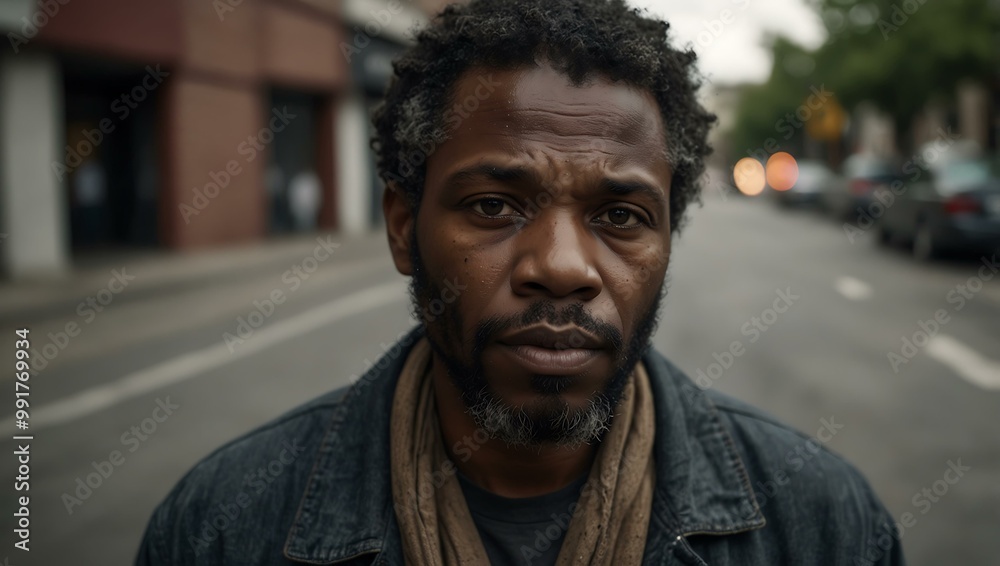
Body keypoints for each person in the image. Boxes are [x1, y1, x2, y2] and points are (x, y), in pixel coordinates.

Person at [136, 1, 905, 564]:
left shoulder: (823, 527)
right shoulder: (222, 531)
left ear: (672, 235)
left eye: (621, 216)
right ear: (404, 227)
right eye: (495, 206)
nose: (562, 269)